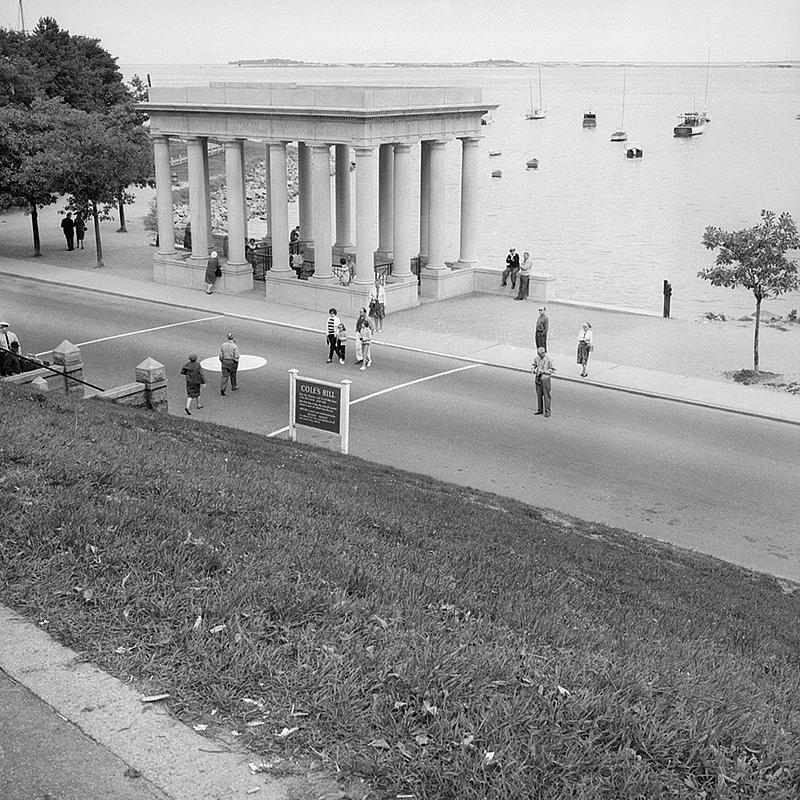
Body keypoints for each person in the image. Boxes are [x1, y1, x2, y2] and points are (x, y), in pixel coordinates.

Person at [531, 347, 556, 417]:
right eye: (538, 354)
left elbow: (552, 370)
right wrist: (533, 369)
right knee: (539, 395)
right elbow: (534, 364)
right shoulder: (537, 358)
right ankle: (540, 409)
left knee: (546, 395)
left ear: (543, 353)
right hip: (538, 378)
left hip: (545, 379)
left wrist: (544, 371)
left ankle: (547, 411)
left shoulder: (549, 360)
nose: (539, 356)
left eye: (540, 354)